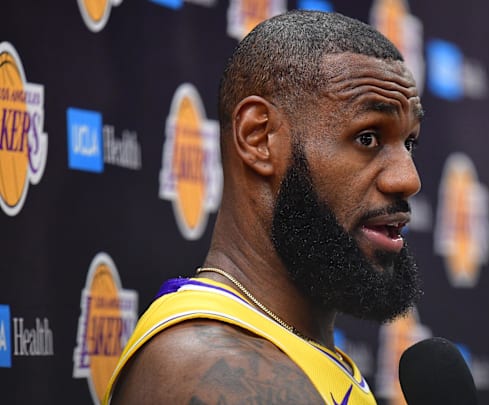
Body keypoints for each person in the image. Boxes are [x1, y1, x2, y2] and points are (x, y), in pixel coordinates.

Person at [103, 9, 425, 405]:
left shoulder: (296, 352)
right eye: (368, 138)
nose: (408, 179)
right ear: (258, 138)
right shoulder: (209, 365)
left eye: (409, 142)